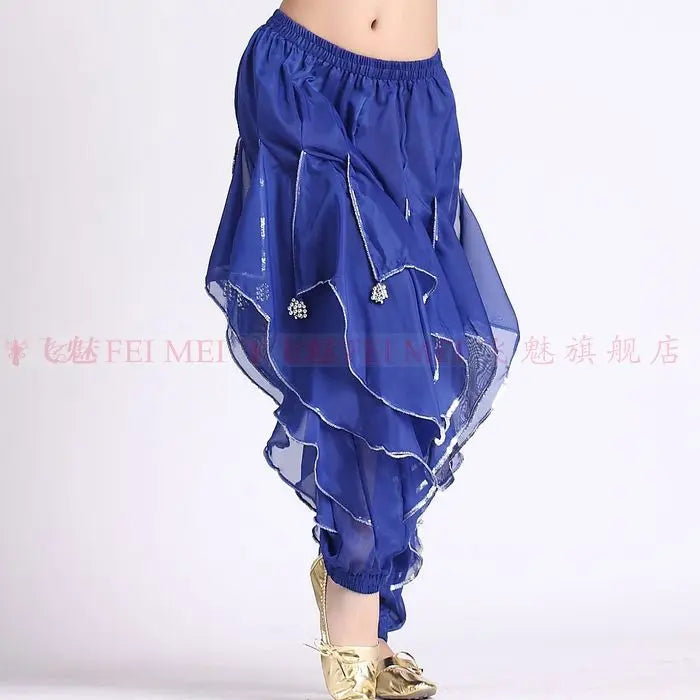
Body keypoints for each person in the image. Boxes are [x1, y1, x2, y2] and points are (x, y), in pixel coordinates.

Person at [204, 1, 520, 698]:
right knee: (360, 349)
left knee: (403, 354)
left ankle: (357, 584)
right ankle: (355, 606)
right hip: (305, 80)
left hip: (415, 106)